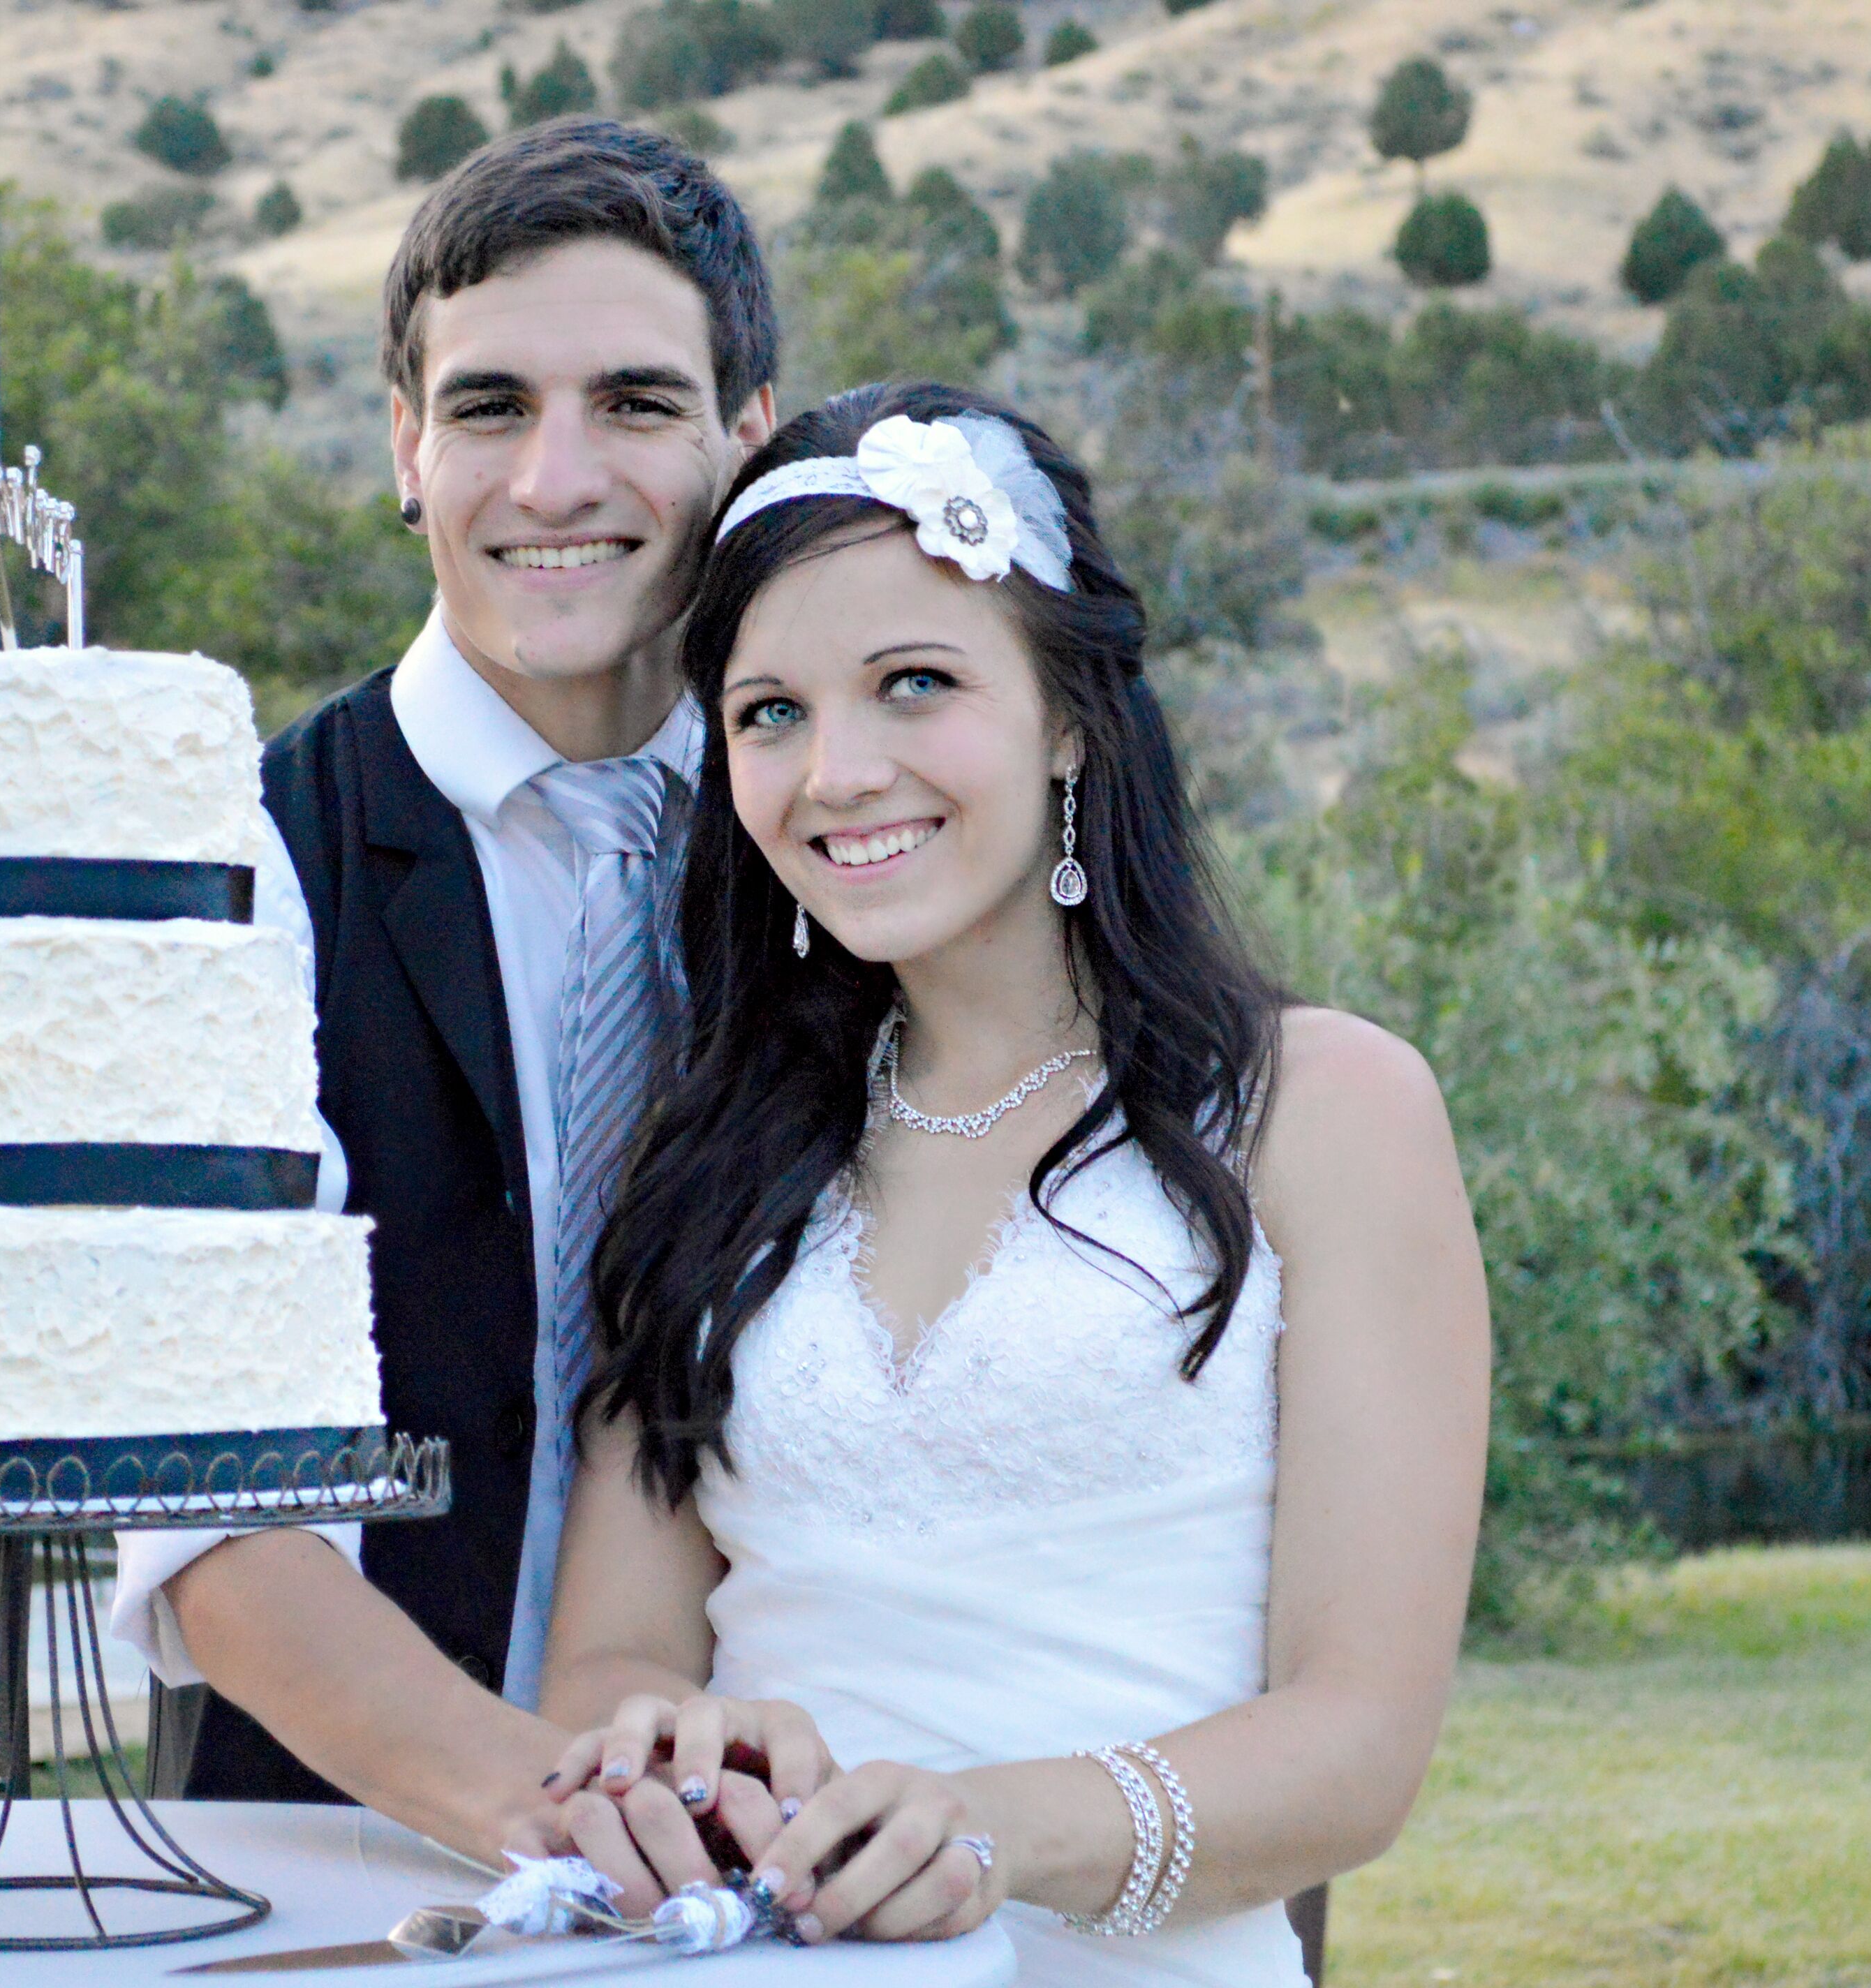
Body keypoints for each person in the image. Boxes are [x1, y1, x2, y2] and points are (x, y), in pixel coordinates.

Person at [531, 382, 1494, 1981]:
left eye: (914, 683)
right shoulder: (706, 1152)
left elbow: (1359, 1745)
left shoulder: (1326, 1110)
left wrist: (980, 1831)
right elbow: (612, 1657)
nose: (835, 770)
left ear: (1071, 714)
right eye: (770, 712)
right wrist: (662, 1751)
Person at [106, 117, 784, 1877]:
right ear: (405, 448)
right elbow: (217, 1520)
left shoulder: (860, 854)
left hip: (810, 1846)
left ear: (747, 442)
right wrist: (576, 1826)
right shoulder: (234, 875)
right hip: (342, 1857)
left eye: (636, 404)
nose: (556, 479)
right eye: (489, 407)